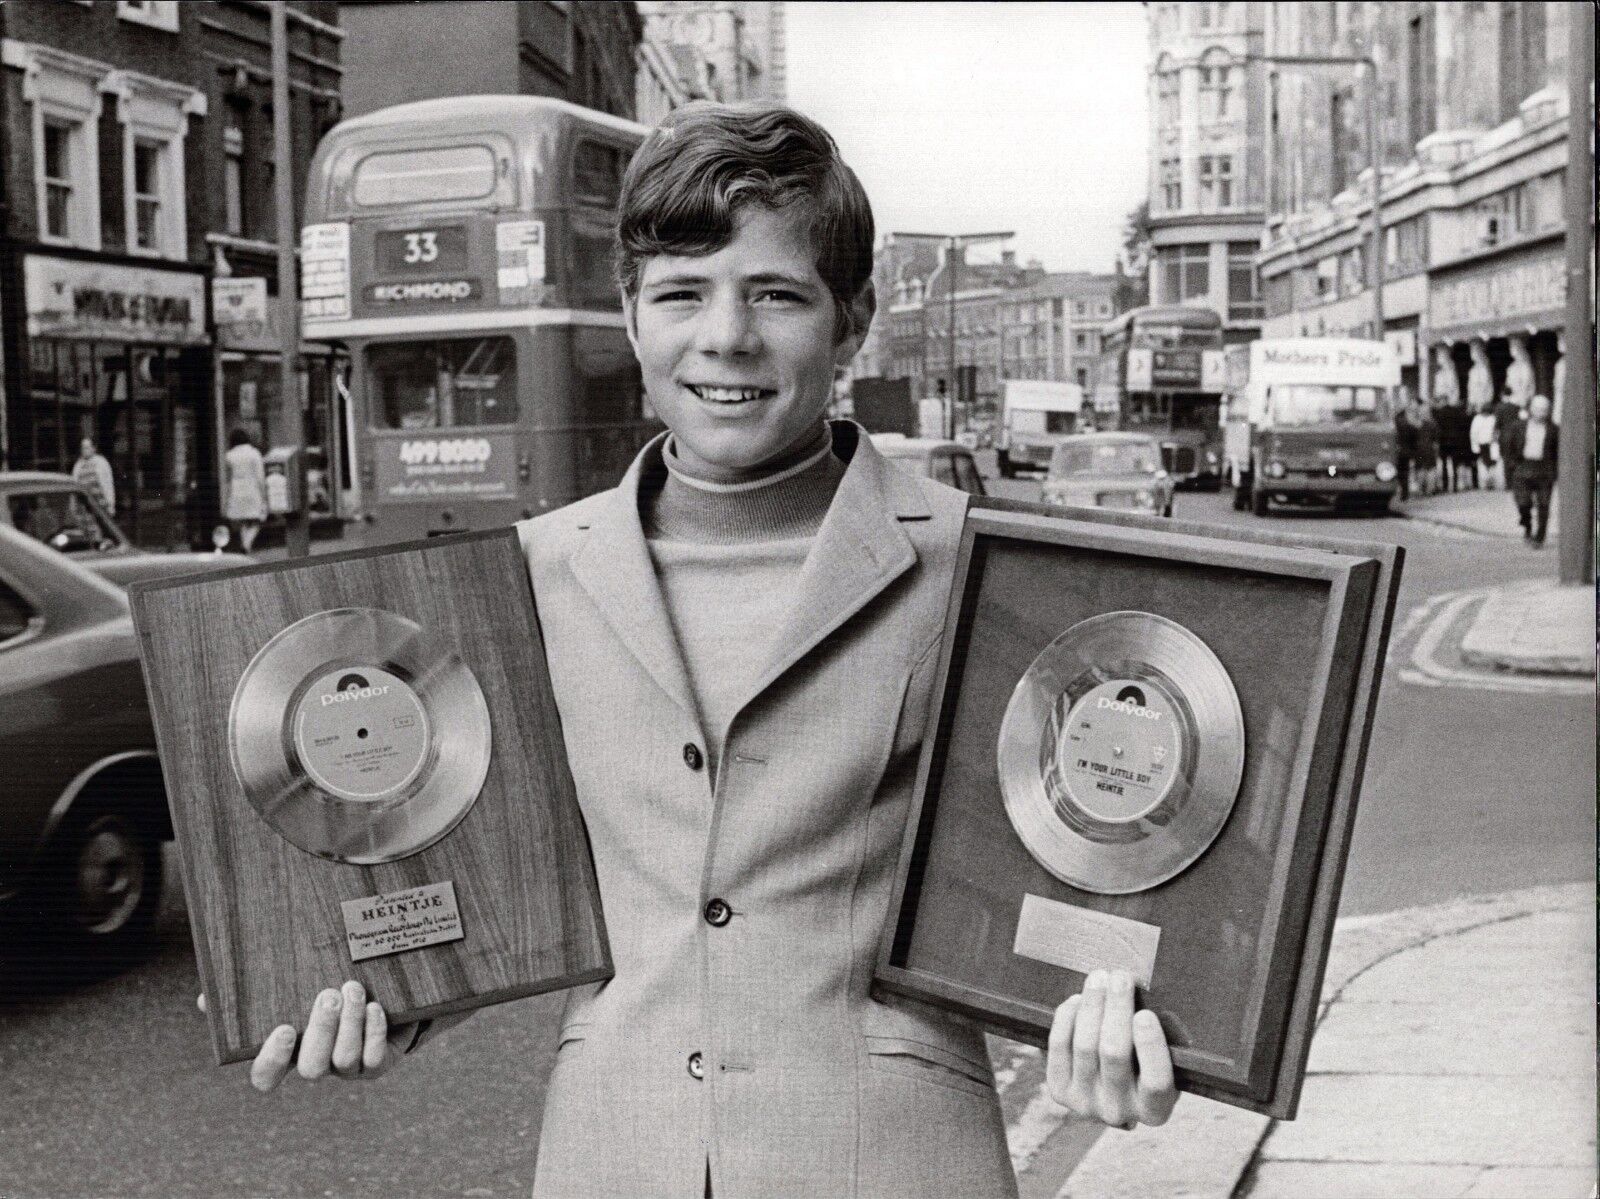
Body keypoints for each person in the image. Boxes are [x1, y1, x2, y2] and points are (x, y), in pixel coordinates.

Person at [227, 103, 1177, 1197]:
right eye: (682, 292)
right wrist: (383, 995)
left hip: (895, 1159)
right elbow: (468, 871)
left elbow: (1103, 853)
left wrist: (1136, 1024)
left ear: (851, 320)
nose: (725, 335)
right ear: (631, 317)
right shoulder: (522, 579)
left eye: (774, 293)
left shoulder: (985, 569)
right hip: (614, 1155)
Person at [1503, 393, 1559, 546]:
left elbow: (1557, 452)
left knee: (1543, 504)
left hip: (1544, 469)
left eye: (1545, 409)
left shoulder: (1554, 430)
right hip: (1523, 468)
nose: (1541, 413)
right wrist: (1512, 466)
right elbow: (1509, 447)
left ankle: (1539, 537)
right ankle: (1527, 525)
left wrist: (1555, 472)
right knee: (1523, 503)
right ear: (1531, 409)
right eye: (1538, 409)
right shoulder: (1518, 426)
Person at [223, 428, 267, 553]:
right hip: (253, 489)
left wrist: (227, 497)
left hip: (236, 490)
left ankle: (245, 545)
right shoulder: (254, 453)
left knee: (244, 521)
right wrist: (264, 495)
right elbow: (260, 476)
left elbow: (228, 479)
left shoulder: (229, 455)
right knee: (256, 520)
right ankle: (247, 545)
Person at [72, 437, 115, 513]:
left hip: (100, 504)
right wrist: (74, 507)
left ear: (93, 448)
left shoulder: (101, 462)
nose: (84, 450)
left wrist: (110, 504)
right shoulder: (78, 465)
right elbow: (74, 485)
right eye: (83, 448)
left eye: (87, 448)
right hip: (85, 507)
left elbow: (108, 484)